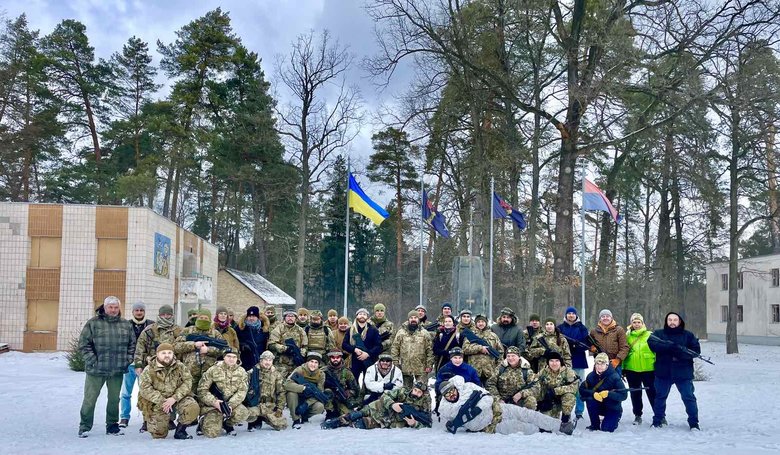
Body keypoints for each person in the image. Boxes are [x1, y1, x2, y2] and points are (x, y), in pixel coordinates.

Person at [77, 296, 136, 438]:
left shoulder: (125, 325)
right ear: (104, 307)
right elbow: (84, 344)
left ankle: (112, 425)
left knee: (114, 399)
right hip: (96, 370)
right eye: (110, 307)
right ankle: (84, 426)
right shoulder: (93, 323)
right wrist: (92, 360)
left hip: (116, 370)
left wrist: (127, 360)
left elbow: (132, 345)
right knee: (90, 399)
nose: (113, 310)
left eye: (116, 307)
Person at [439, 375, 569, 435]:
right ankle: (544, 430)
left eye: (452, 391)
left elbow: (487, 396)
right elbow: (457, 423)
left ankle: (561, 426)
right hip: (489, 426)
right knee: (523, 427)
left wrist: (478, 408)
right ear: (444, 397)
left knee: (527, 414)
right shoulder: (446, 409)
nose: (451, 395)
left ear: (455, 388)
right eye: (447, 395)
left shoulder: (467, 387)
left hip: (497, 407)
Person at [133, 304, 183, 432]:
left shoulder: (178, 331)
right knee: (147, 394)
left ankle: (170, 419)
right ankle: (146, 419)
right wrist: (138, 365)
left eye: (169, 314)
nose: (166, 317)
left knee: (171, 393)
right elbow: (139, 349)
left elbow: (184, 348)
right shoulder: (150, 330)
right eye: (163, 314)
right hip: (152, 368)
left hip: (172, 368)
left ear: (172, 315)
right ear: (159, 315)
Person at [647, 311, 701, 430]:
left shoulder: (688, 335)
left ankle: (694, 423)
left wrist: (679, 352)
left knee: (689, 397)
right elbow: (652, 344)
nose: (672, 322)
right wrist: (669, 347)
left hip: (683, 373)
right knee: (660, 397)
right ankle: (657, 421)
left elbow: (696, 351)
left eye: (675, 320)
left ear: (680, 321)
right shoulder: (659, 334)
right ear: (666, 321)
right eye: (669, 320)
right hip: (663, 372)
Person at [137, 343, 199, 440]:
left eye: (169, 353)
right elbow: (144, 388)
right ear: (157, 354)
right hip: (158, 402)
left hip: (177, 398)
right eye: (163, 353)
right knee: (159, 434)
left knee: (192, 407)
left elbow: (188, 382)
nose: (167, 355)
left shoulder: (180, 366)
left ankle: (180, 431)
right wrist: (163, 401)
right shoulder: (149, 369)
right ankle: (156, 422)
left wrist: (174, 398)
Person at [323, 381, 431, 430]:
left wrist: (414, 424)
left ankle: (346, 424)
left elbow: (427, 422)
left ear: (423, 394)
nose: (416, 393)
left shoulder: (424, 405)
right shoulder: (402, 392)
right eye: (415, 390)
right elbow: (385, 395)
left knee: (361, 423)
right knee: (355, 414)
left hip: (388, 420)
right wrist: (392, 404)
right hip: (377, 407)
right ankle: (336, 422)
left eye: (419, 392)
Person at [174, 308, 227, 394]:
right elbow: (176, 346)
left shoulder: (215, 333)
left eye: (206, 319)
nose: (203, 320)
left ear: (210, 319)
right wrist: (193, 345)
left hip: (209, 373)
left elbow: (224, 349)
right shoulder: (187, 331)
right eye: (201, 318)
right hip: (189, 372)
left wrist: (208, 350)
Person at [197, 351, 250, 437]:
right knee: (211, 433)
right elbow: (202, 390)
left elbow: (242, 391)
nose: (231, 359)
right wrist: (215, 402)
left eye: (234, 357)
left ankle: (227, 425)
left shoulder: (242, 372)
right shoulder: (213, 370)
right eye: (229, 356)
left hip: (230, 404)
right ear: (224, 357)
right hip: (213, 405)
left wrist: (230, 405)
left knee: (243, 413)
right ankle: (202, 422)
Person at [119, 302, 154, 428]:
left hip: (144, 365)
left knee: (145, 392)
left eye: (141, 310)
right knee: (125, 393)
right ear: (133, 312)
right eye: (136, 310)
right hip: (129, 365)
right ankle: (124, 417)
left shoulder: (151, 325)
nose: (139, 312)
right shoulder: (126, 325)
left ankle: (146, 418)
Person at [579, 353, 627, 432]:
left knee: (606, 429)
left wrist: (609, 394)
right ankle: (595, 425)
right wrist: (593, 394)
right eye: (597, 363)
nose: (599, 366)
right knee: (590, 399)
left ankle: (615, 418)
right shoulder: (590, 376)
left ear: (607, 365)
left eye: (602, 364)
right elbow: (582, 389)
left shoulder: (615, 377)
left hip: (613, 407)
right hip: (599, 405)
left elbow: (624, 395)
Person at [623, 312, 656, 425]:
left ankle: (659, 415)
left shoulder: (650, 335)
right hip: (632, 369)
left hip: (648, 369)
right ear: (631, 323)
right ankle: (637, 415)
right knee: (635, 394)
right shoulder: (627, 336)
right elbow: (624, 353)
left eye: (639, 322)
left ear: (642, 323)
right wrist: (623, 368)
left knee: (652, 393)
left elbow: (656, 352)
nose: (636, 324)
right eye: (634, 322)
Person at [534, 351, 579, 432]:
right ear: (548, 362)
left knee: (569, 396)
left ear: (560, 362)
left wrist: (555, 391)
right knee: (545, 427)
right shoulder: (543, 372)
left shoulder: (568, 372)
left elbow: (574, 387)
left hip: (562, 401)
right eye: (551, 361)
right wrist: (540, 402)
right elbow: (534, 385)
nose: (554, 363)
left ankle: (565, 420)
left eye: (557, 361)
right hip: (549, 402)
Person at [558, 306, 589, 419]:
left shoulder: (582, 328)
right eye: (569, 313)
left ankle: (579, 412)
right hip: (564, 363)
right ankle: (565, 411)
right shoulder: (560, 328)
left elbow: (586, 344)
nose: (571, 315)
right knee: (564, 387)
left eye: (573, 313)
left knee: (580, 387)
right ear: (566, 315)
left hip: (579, 361)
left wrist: (575, 347)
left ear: (576, 315)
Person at [244, 351, 288, 431]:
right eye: (265, 360)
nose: (268, 362)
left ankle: (264, 418)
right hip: (255, 405)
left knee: (282, 425)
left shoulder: (276, 374)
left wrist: (279, 408)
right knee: (249, 415)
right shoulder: (252, 372)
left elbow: (281, 392)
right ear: (261, 360)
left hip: (269, 406)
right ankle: (254, 420)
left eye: (270, 360)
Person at [284, 352, 328, 428]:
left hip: (309, 398)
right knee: (291, 394)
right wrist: (303, 388)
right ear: (307, 362)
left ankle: (304, 416)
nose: (313, 364)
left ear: (319, 364)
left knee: (320, 407)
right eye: (311, 362)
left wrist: (307, 404)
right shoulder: (300, 370)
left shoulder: (321, 374)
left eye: (316, 362)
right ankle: (296, 419)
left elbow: (319, 392)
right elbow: (287, 384)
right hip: (297, 397)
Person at [486, 346, 538, 410]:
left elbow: (536, 387)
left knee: (531, 400)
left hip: (519, 400)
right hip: (502, 400)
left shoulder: (526, 370)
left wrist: (521, 394)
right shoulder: (500, 368)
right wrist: (498, 399)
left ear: (519, 357)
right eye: (508, 356)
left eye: (513, 356)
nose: (510, 358)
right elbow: (490, 383)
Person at [391, 310, 434, 387]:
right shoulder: (401, 332)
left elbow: (429, 350)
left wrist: (429, 365)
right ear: (408, 319)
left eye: (415, 317)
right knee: (405, 391)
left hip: (421, 369)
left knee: (422, 391)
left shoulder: (424, 333)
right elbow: (395, 348)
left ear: (418, 319)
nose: (413, 319)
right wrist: (395, 363)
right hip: (404, 368)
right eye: (411, 317)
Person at [341, 308, 382, 382]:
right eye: (360, 314)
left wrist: (367, 354)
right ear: (356, 316)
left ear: (367, 317)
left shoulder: (373, 330)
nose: (362, 316)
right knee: (353, 383)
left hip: (369, 361)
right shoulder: (350, 330)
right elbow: (344, 344)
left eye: (364, 314)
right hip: (354, 361)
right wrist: (354, 350)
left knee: (369, 383)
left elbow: (378, 346)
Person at [462, 314, 504, 384]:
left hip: (490, 371)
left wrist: (497, 369)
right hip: (474, 370)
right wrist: (480, 348)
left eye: (483, 322)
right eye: (478, 322)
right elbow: (465, 349)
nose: (481, 324)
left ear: (486, 323)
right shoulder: (470, 335)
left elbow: (500, 353)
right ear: (475, 323)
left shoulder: (493, 336)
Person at [268, 309, 308, 379]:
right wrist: (284, 348)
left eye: (292, 316)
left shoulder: (300, 330)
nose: (290, 318)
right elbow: (271, 344)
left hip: (296, 363)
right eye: (288, 316)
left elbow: (305, 346)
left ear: (295, 318)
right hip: (281, 363)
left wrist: (301, 352)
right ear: (284, 318)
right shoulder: (279, 329)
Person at [589, 309, 629, 375]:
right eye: (603, 316)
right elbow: (589, 344)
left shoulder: (619, 330)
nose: (605, 318)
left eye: (607, 316)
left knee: (615, 384)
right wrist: (591, 348)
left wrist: (617, 360)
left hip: (614, 365)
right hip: (599, 365)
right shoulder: (594, 331)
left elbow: (624, 347)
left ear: (611, 318)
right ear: (600, 319)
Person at [323, 350, 360, 418]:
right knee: (327, 391)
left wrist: (348, 393)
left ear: (341, 358)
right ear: (330, 358)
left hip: (341, 398)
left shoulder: (346, 372)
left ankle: (338, 410)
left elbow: (355, 389)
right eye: (333, 358)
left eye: (337, 357)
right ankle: (330, 412)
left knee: (348, 415)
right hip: (329, 398)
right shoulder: (323, 371)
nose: (335, 359)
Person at [236, 306, 270, 371]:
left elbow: (267, 344)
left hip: (260, 359)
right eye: (249, 316)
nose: (251, 318)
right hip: (245, 359)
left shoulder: (264, 329)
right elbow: (235, 341)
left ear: (258, 317)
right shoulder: (240, 328)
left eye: (254, 316)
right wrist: (242, 346)